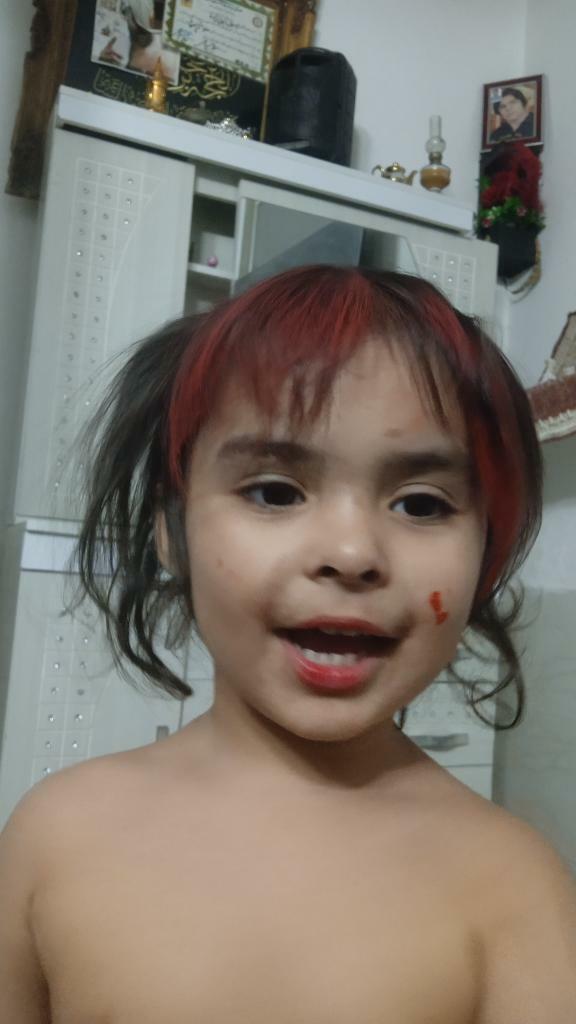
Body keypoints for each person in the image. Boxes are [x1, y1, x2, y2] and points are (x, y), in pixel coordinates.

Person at [0, 266, 575, 1023]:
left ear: (485, 557)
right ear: (172, 529)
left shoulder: (516, 885)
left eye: (421, 504)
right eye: (274, 491)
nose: (351, 552)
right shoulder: (54, 834)